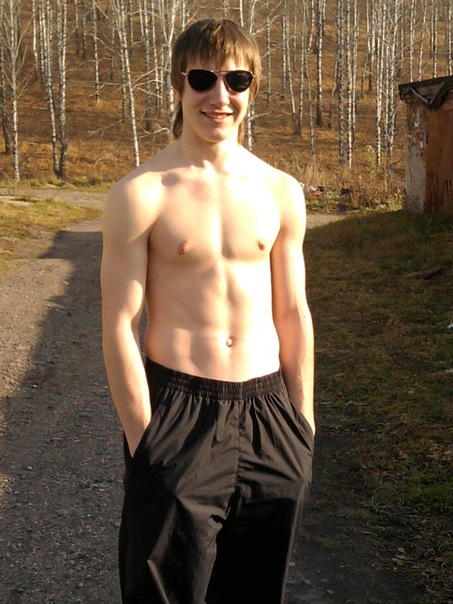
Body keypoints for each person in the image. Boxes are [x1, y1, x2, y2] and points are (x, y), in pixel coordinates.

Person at [101, 18, 315, 604]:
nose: (219, 96)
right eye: (202, 79)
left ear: (252, 89)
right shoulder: (142, 193)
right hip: (180, 411)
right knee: (166, 590)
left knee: (255, 589)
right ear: (178, 85)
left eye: (236, 81)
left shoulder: (281, 192)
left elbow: (293, 310)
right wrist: (145, 440)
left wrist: (302, 424)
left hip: (270, 414)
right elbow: (119, 323)